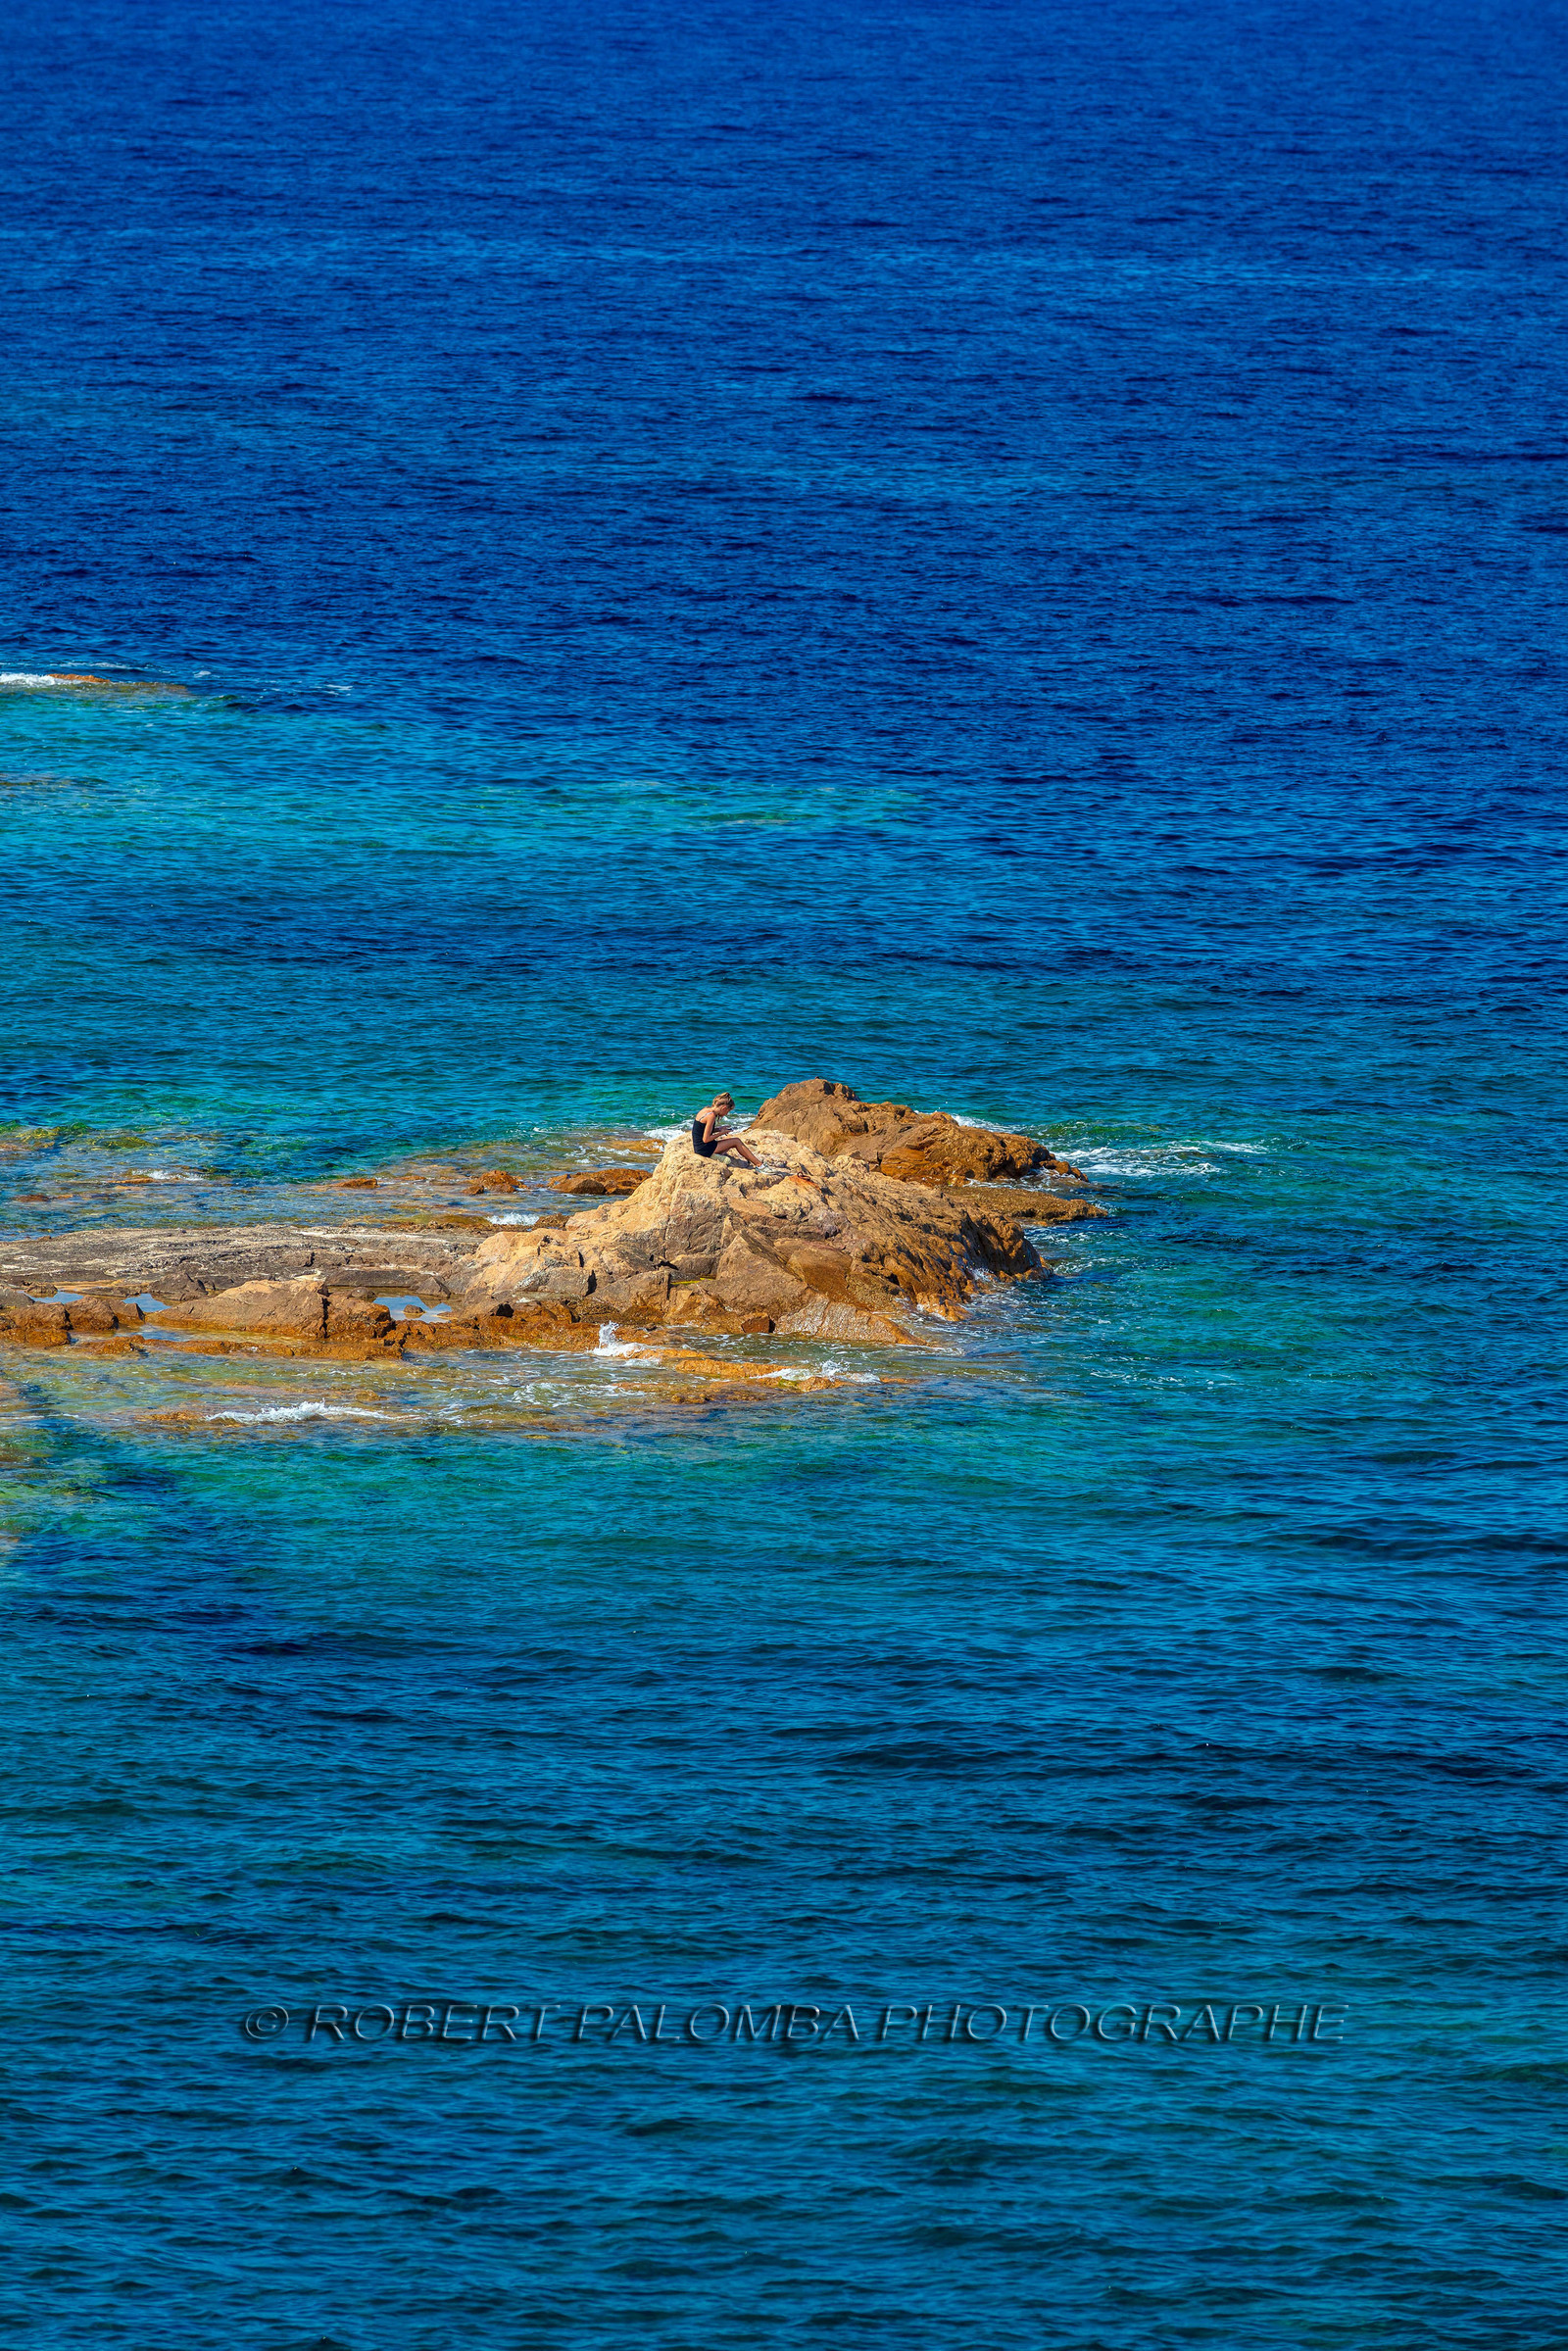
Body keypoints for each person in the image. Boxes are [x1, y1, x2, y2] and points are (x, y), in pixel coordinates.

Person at [691, 1092, 763, 1167]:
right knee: (736, 1141)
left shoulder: (706, 1110)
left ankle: (716, 1155)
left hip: (699, 1147)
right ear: (724, 1108)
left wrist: (719, 1129)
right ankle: (759, 1165)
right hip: (703, 1150)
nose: (727, 1114)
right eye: (728, 1111)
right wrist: (721, 1133)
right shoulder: (711, 1116)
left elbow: (701, 1130)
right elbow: (706, 1139)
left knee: (731, 1143)